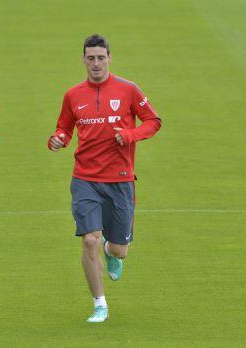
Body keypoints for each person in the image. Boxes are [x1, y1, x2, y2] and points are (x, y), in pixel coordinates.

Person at [47, 34, 161, 323]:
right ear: (83, 59)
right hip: (85, 178)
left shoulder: (128, 90)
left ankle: (113, 252)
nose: (96, 63)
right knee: (89, 240)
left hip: (120, 180)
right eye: (91, 58)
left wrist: (130, 135)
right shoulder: (73, 95)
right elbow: (64, 128)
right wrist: (58, 139)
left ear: (110, 57)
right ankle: (100, 304)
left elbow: (153, 121)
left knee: (119, 249)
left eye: (101, 57)